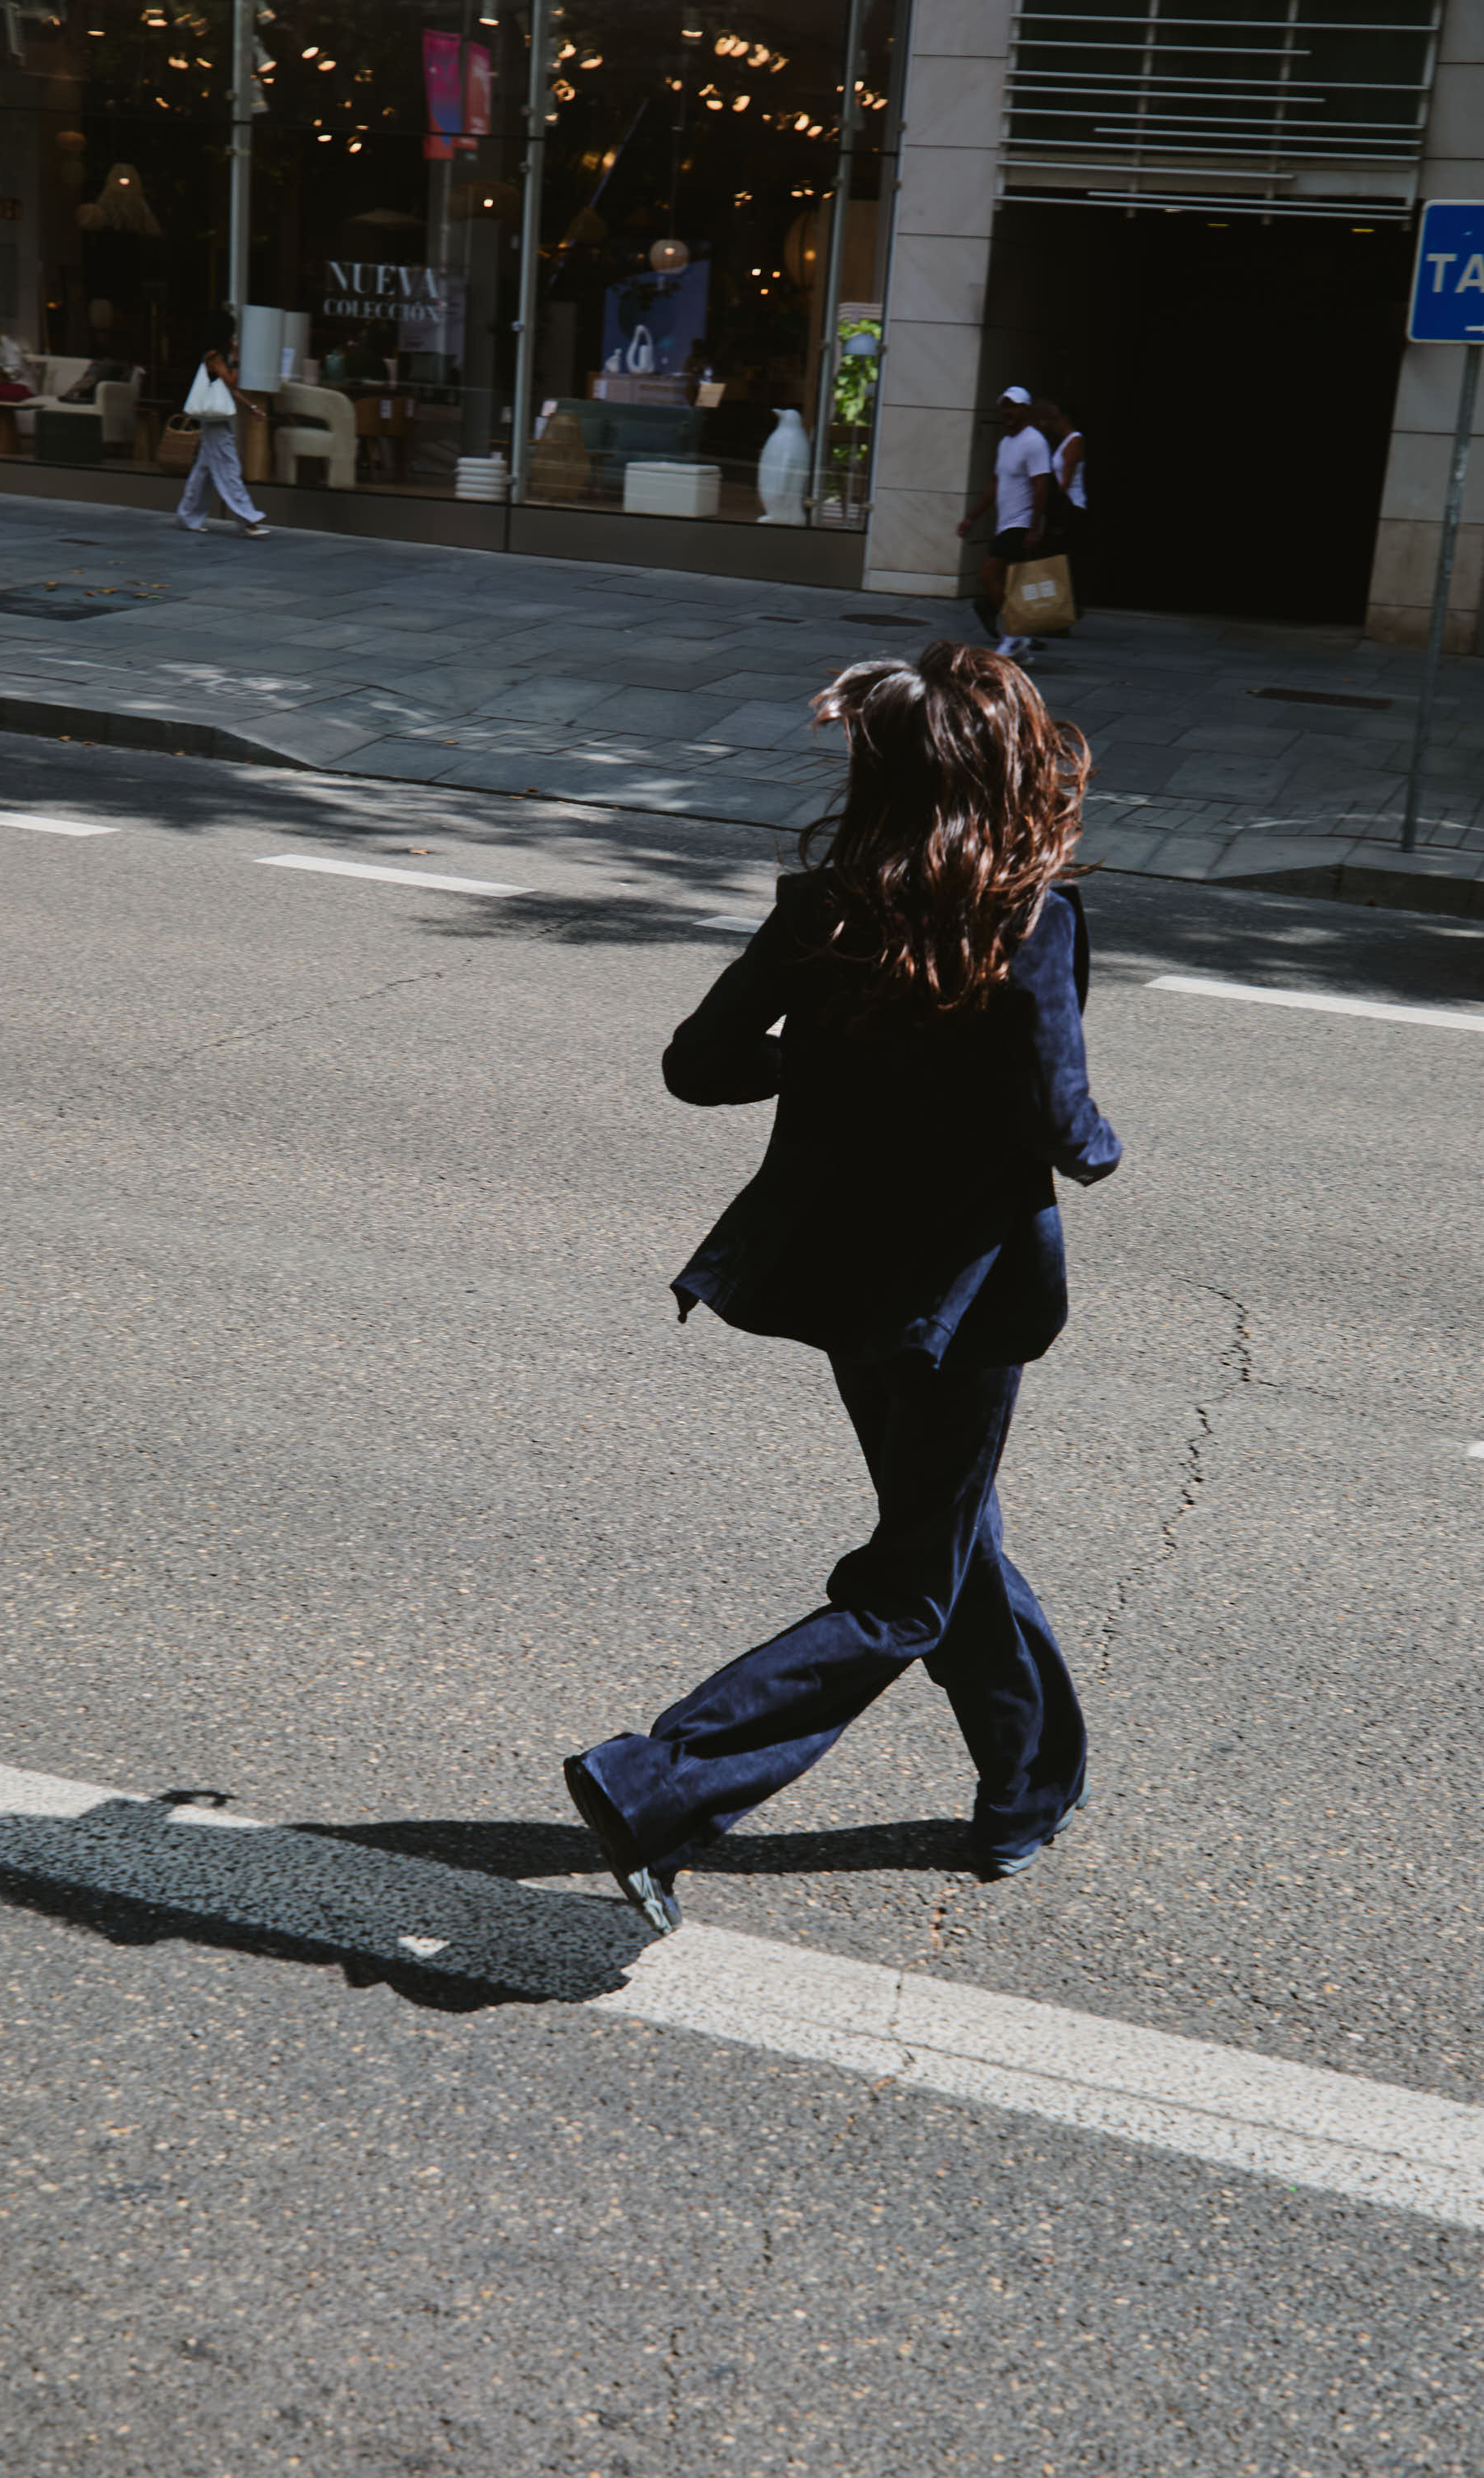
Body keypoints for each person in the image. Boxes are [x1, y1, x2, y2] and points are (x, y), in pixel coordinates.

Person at [563, 642, 1123, 1935]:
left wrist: (821, 1067)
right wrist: (1104, 1151)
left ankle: (1029, 1788)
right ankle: (661, 1779)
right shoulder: (1029, 918)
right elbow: (1055, 1114)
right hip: (967, 1295)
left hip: (840, 1279)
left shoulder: (822, 904)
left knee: (949, 1531)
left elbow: (699, 1065)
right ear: (1001, 770)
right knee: (911, 1586)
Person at [957, 385, 1052, 660]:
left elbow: (1041, 486)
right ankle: (1019, 641)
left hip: (1021, 523)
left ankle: (1015, 636)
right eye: (1005, 407)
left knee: (988, 575)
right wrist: (972, 517)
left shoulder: (1034, 442)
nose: (1008, 412)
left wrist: (1035, 528)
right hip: (1006, 522)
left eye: (1014, 406)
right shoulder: (1006, 443)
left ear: (1026, 409)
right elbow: (996, 484)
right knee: (1006, 582)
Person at [175, 334, 270, 538]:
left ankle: (187, 516)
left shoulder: (214, 358)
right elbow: (232, 383)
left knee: (202, 475)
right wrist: (235, 358)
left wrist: (251, 407)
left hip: (215, 425)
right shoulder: (214, 357)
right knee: (229, 471)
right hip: (216, 427)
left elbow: (230, 391)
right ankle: (248, 520)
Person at [1034, 395, 1090, 622]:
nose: (1050, 424)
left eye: (1053, 419)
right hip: (1063, 507)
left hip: (1070, 508)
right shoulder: (1065, 442)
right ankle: (1060, 611)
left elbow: (1064, 483)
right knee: (1057, 562)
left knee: (1061, 562)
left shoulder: (1075, 441)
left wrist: (1057, 517)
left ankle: (1066, 612)